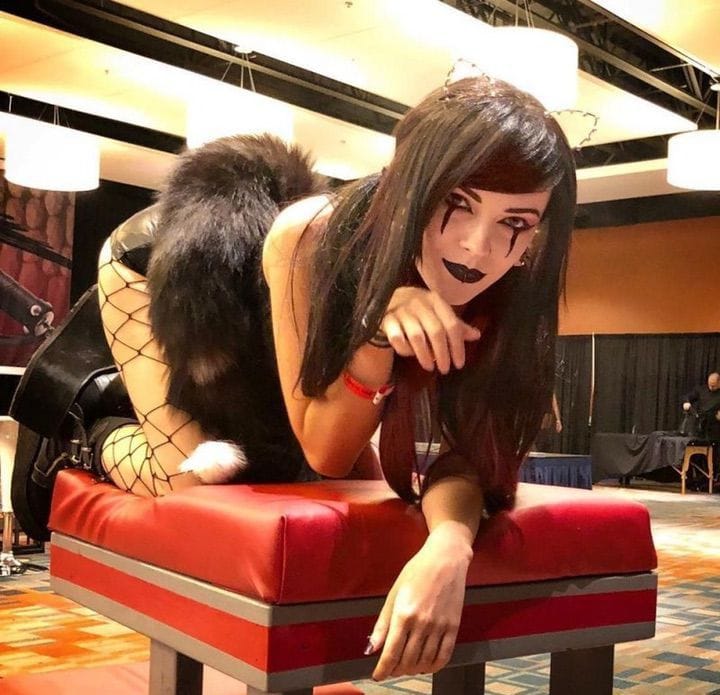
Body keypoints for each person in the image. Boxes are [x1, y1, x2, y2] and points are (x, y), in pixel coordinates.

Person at [25, 75, 578, 679]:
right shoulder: (311, 235)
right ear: (410, 185)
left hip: (282, 329)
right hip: (164, 266)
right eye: (458, 203)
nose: (477, 247)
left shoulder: (520, 285)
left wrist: (449, 545)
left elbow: (468, 452)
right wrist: (375, 329)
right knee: (188, 480)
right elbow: (326, 449)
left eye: (515, 222)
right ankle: (93, 429)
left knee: (326, 476)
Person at [682, 372, 720, 440]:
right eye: (710, 385)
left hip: (715, 425)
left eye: (713, 386)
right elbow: (688, 397)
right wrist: (686, 402)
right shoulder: (701, 389)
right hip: (700, 423)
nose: (711, 387)